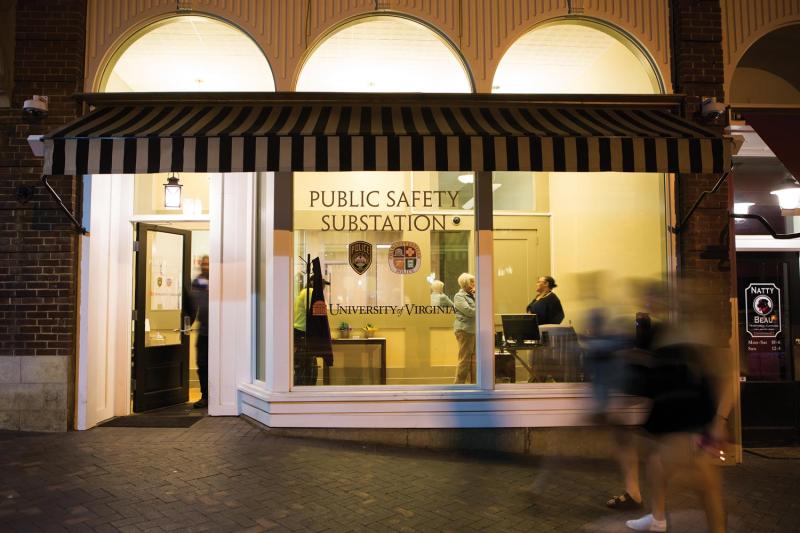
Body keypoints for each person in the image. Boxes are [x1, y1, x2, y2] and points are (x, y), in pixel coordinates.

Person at [187, 255, 209, 408]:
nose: (205, 266)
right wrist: (187, 322)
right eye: (203, 264)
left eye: (208, 264)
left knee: (216, 365)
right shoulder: (197, 282)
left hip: (218, 333)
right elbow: (192, 305)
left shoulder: (221, 281)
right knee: (202, 364)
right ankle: (205, 396)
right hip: (203, 332)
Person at [453, 273, 476, 384]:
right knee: (464, 359)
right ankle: (458, 386)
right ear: (465, 283)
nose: (474, 283)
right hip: (465, 330)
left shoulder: (474, 295)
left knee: (473, 360)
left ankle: (474, 385)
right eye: (471, 281)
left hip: (473, 330)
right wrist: (481, 307)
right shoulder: (459, 296)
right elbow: (470, 312)